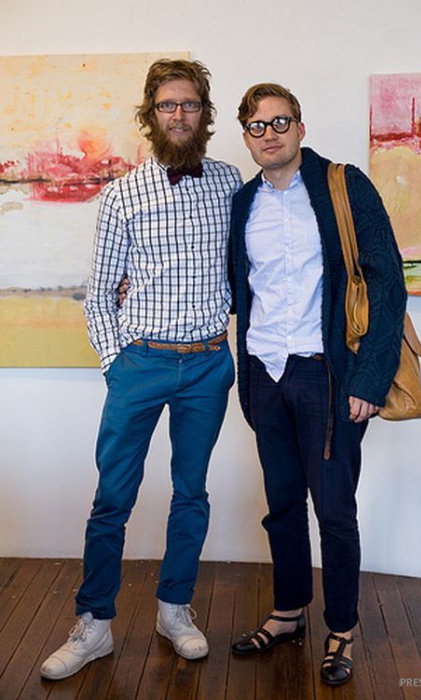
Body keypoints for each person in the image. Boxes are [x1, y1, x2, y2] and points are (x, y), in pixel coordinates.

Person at [40, 59, 241, 681]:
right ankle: (94, 623)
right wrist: (116, 363)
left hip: (208, 364)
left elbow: (247, 266)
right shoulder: (122, 194)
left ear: (204, 113)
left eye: (189, 104)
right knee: (112, 499)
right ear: (150, 115)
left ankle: (174, 610)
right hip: (141, 363)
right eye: (167, 105)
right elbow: (99, 293)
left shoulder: (231, 182)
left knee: (191, 493)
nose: (178, 115)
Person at [228, 83, 407, 686]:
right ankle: (288, 612)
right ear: (246, 136)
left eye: (280, 121)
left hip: (325, 375)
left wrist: (370, 379)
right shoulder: (243, 203)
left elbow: (387, 282)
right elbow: (237, 285)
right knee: (281, 505)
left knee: (333, 509)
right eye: (257, 125)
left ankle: (342, 627)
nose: (269, 133)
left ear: (300, 127)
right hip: (264, 372)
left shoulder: (343, 186)